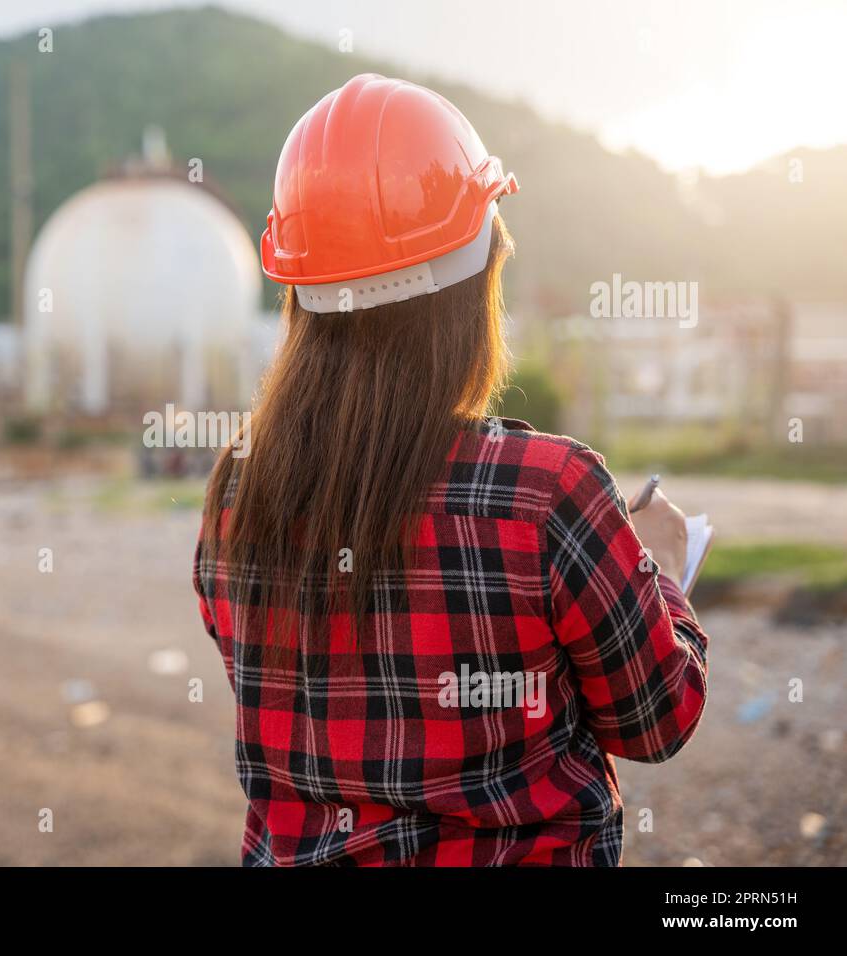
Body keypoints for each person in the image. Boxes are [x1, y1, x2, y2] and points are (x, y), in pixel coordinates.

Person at [193, 74, 709, 866]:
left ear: (299, 291)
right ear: (474, 290)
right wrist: (662, 568)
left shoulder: (238, 490)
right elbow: (656, 719)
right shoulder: (546, 493)